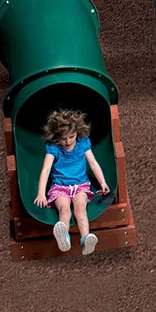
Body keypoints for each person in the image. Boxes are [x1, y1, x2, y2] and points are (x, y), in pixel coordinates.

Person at [34, 109, 111, 255]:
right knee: (64, 210)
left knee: (80, 208)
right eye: (63, 138)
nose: (68, 141)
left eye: (71, 136)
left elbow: (93, 163)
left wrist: (102, 182)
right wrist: (41, 194)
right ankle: (64, 237)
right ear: (56, 137)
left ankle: (85, 239)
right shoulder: (54, 148)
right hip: (60, 187)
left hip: (80, 186)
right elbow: (45, 170)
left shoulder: (82, 144)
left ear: (77, 133)